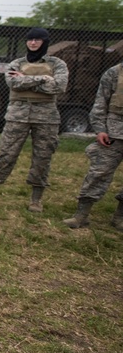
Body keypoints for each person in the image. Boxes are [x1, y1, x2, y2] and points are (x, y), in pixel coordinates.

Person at [0, 28, 68, 212]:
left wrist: (29, 79)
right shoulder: (17, 63)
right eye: (30, 40)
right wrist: (43, 80)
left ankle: (36, 200)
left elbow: (59, 86)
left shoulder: (57, 63)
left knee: (43, 157)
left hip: (46, 117)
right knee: (6, 154)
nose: (33, 43)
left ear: (45, 42)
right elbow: (14, 84)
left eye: (37, 40)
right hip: (17, 115)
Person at [63, 59, 123, 230]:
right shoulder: (114, 72)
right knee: (98, 173)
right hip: (113, 133)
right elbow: (100, 102)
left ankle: (119, 218)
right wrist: (100, 129)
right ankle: (81, 216)